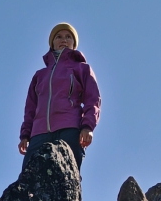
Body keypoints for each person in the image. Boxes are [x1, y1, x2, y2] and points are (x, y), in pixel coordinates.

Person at [19, 23, 101, 167]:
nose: (63, 40)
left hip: (70, 129)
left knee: (66, 179)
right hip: (38, 134)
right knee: (30, 181)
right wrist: (25, 135)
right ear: (52, 43)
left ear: (74, 44)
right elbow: (30, 108)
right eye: (59, 37)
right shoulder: (40, 75)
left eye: (68, 37)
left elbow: (93, 99)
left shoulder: (82, 69)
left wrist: (87, 127)